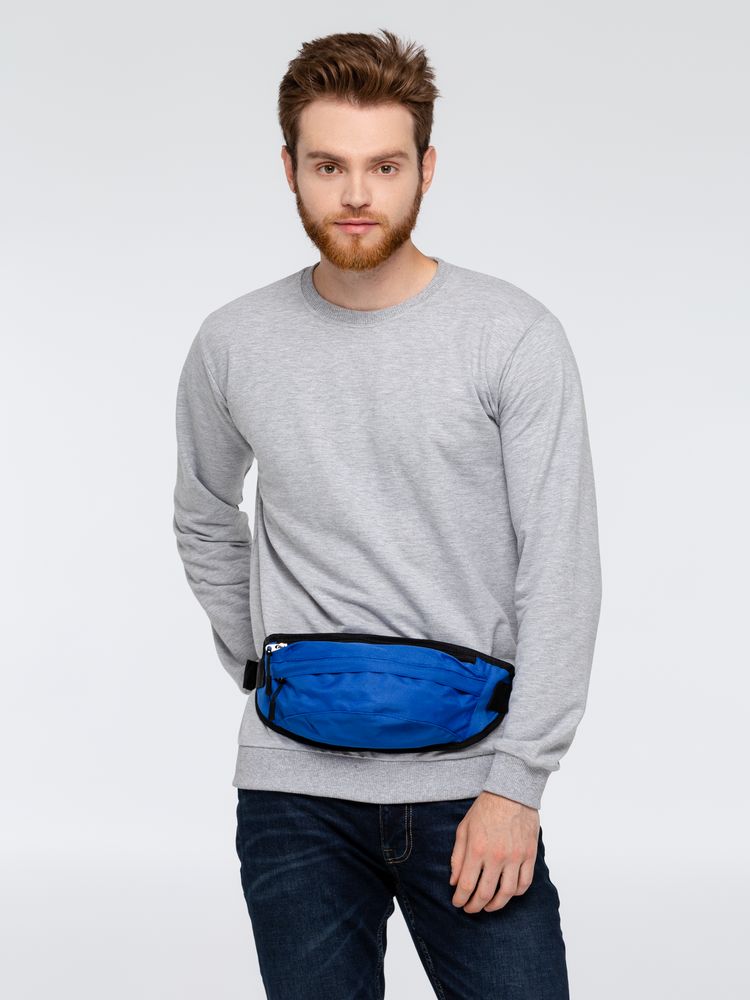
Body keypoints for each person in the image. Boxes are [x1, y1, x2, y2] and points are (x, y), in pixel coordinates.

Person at [172, 27, 602, 1000]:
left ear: (426, 169)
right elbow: (202, 511)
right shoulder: (233, 342)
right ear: (289, 169)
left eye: (384, 166)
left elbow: (561, 568)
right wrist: (261, 661)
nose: (357, 194)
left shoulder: (513, 337)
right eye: (328, 165)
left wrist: (519, 783)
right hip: (292, 796)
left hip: (472, 786)